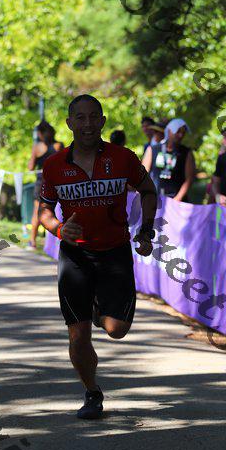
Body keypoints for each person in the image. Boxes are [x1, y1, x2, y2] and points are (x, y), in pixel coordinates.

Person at [39, 94, 157, 420]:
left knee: (116, 329)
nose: (88, 124)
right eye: (81, 117)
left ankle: (97, 309)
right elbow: (45, 211)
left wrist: (146, 230)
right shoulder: (54, 165)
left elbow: (148, 191)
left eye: (94, 117)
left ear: (103, 121)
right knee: (78, 336)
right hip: (75, 256)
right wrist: (59, 229)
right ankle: (92, 392)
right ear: (70, 123)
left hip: (114, 253)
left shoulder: (123, 158)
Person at [27, 121, 63, 249]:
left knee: (38, 212)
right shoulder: (58, 146)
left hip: (42, 183)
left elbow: (30, 167)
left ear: (40, 134)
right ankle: (54, 244)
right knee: (56, 212)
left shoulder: (37, 147)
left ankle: (32, 241)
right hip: (55, 183)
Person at [142, 118, 196, 201]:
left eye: (183, 133)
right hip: (155, 199)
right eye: (178, 132)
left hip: (177, 201)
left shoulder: (186, 153)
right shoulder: (152, 149)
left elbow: (189, 179)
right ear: (170, 131)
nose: (181, 135)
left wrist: (177, 199)